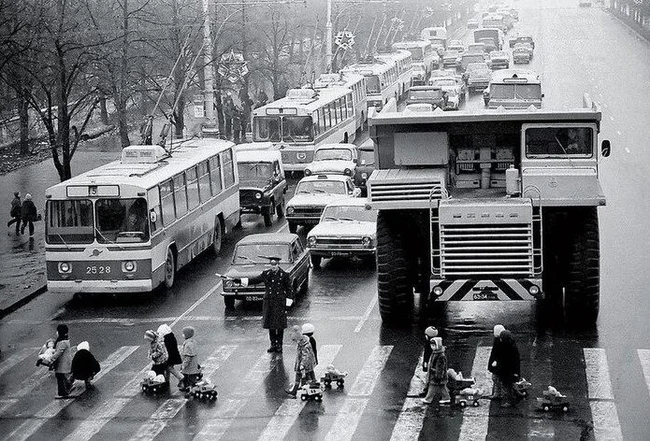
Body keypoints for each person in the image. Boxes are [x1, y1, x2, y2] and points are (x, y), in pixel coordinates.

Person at [233, 256, 294, 353]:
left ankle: (279, 345)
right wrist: (239, 280)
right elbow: (254, 280)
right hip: (269, 302)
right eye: (272, 264)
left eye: (275, 264)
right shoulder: (266, 274)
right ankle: (273, 344)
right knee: (270, 324)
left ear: (278, 265)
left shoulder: (284, 275)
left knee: (279, 325)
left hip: (279, 302)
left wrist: (288, 304)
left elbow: (289, 289)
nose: (273, 266)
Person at [285, 325, 317, 398]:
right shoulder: (302, 343)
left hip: (304, 365)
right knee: (305, 377)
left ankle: (298, 390)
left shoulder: (305, 345)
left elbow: (305, 356)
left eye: (296, 340)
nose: (296, 342)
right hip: (304, 364)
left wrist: (302, 364)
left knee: (302, 377)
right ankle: (298, 390)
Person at [422, 336, 451, 406]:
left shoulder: (440, 356)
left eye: (433, 345)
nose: (432, 347)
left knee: (432, 386)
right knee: (442, 387)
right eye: (431, 345)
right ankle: (446, 397)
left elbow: (440, 368)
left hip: (437, 375)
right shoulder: (436, 352)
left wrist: (437, 375)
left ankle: (428, 399)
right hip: (436, 374)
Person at [495, 329, 521, 408]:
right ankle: (517, 395)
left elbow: (509, 361)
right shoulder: (510, 346)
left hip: (508, 372)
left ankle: (511, 400)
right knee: (509, 386)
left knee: (508, 386)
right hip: (508, 371)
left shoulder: (508, 348)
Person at [50, 324, 74, 398]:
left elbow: (58, 352)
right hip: (61, 362)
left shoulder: (63, 342)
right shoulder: (63, 340)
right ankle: (67, 387)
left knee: (60, 376)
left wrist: (51, 358)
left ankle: (63, 392)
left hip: (62, 363)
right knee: (61, 376)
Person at [157, 324, 184, 388]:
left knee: (169, 368)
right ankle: (167, 380)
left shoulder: (167, 340)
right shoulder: (171, 337)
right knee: (167, 368)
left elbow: (166, 350)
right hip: (173, 356)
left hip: (170, 357)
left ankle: (181, 377)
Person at [179, 326, 201, 391]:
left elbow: (188, 357)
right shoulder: (192, 342)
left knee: (190, 378)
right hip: (193, 365)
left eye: (183, 333)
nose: (182, 335)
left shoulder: (188, 345)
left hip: (189, 366)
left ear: (187, 335)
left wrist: (183, 365)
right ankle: (187, 387)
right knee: (189, 377)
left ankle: (191, 389)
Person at [487, 324, 506, 400]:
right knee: (496, 378)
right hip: (497, 363)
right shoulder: (499, 340)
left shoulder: (501, 341)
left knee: (497, 378)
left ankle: (500, 393)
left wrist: (496, 362)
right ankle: (498, 393)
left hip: (499, 364)